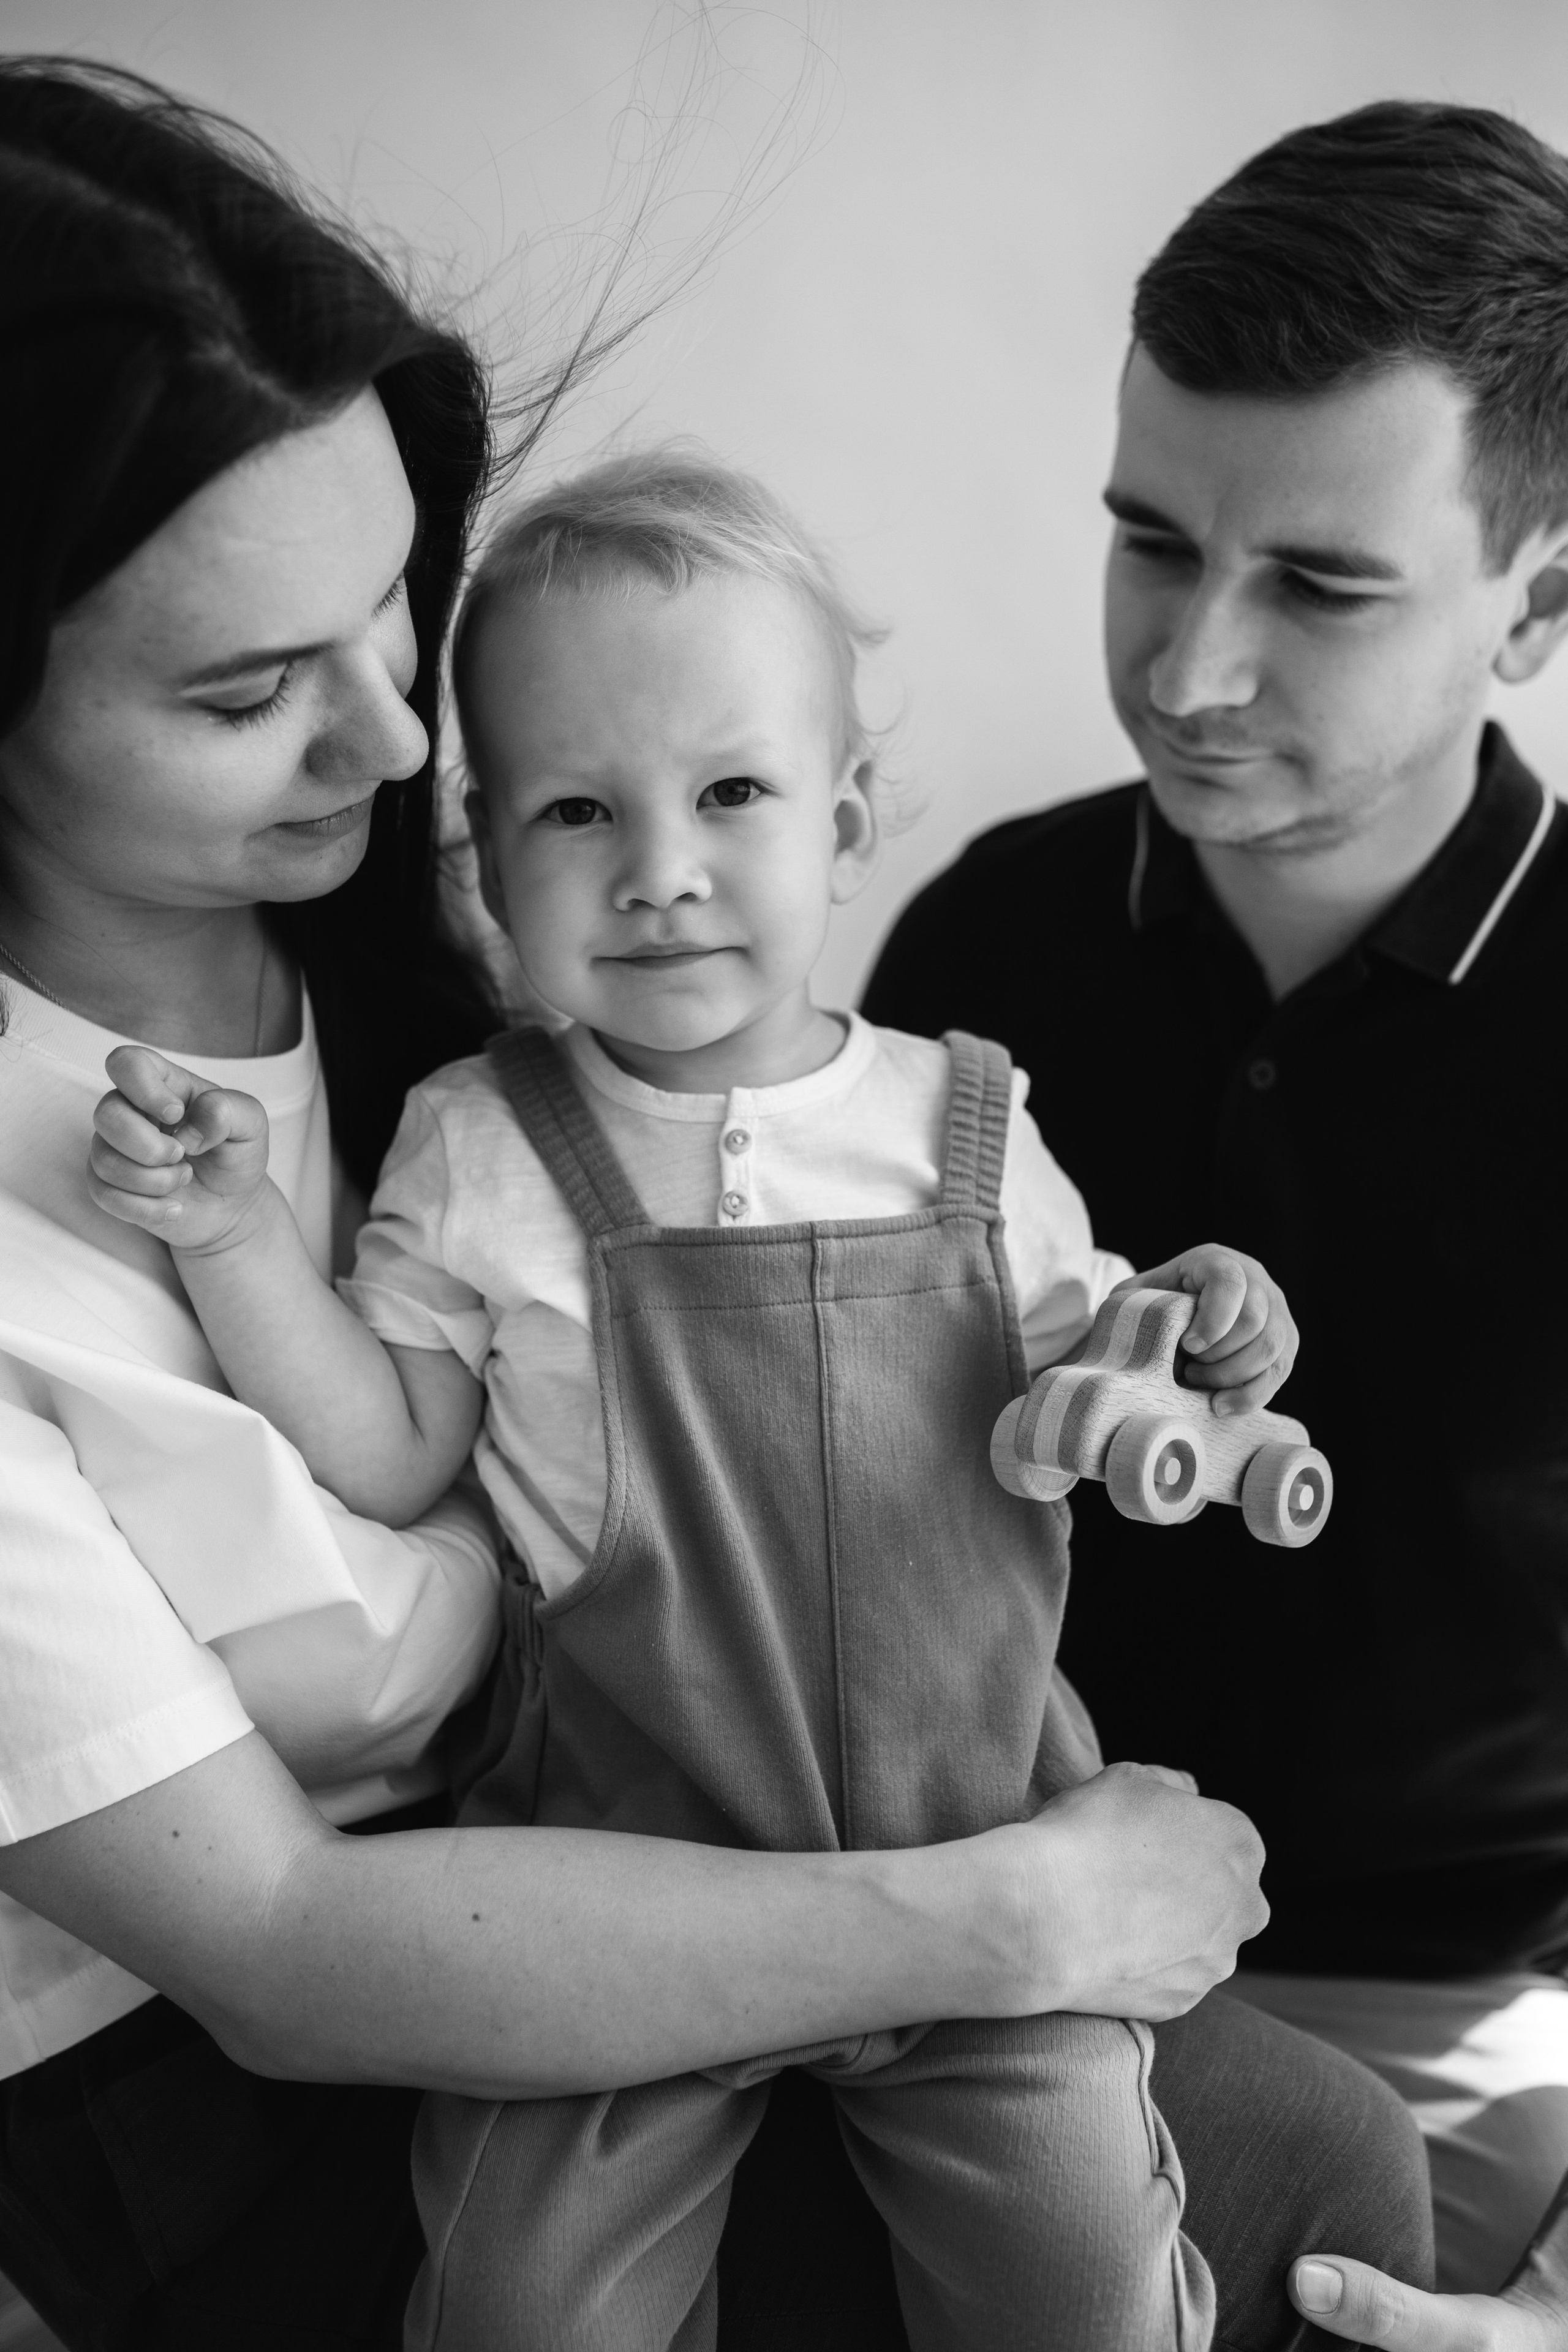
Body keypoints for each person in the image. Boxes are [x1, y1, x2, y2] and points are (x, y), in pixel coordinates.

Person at [0, 55, 1432, 2352]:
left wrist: (1173, 1353)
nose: (392, 756)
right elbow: (283, 1906)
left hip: (875, 1816)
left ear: (842, 814)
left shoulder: (891, 1086)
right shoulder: (492, 1126)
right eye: (256, 687)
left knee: (1218, 2208)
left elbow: (1079, 1343)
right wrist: (1017, 1917)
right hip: (375, 1962)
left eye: (393, 621)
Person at [862, 97, 1568, 2352]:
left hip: (1447, 2015)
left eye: (1321, 587)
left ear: (1538, 601)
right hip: (965, 1929)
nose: (1189, 669)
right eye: (1152, 543)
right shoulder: (989, 939)